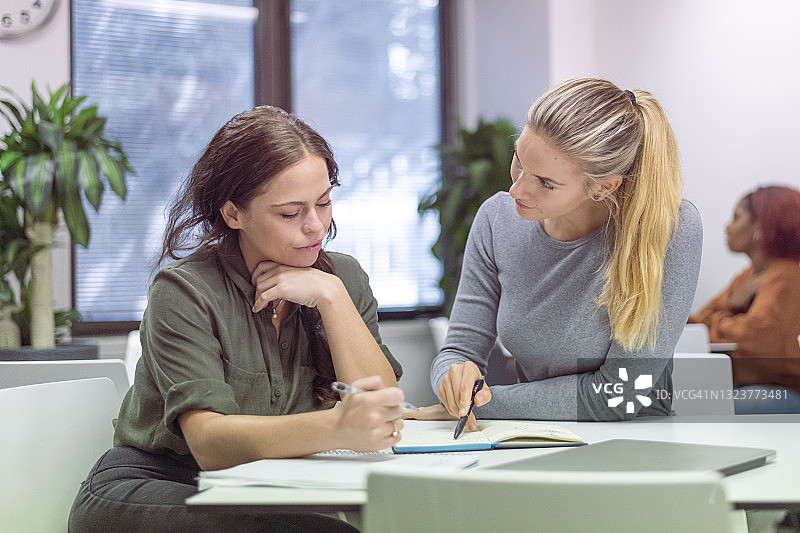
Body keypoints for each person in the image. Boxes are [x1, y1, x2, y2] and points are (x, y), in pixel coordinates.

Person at [69, 106, 405, 532]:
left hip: (263, 486)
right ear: (233, 214)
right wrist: (336, 427)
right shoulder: (184, 291)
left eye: (324, 203)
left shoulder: (343, 279)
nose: (316, 226)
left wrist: (331, 296)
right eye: (290, 213)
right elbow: (210, 444)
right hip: (157, 484)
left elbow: (380, 408)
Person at [430, 77, 703, 426]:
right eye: (519, 162)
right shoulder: (497, 219)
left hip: (635, 447)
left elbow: (621, 395)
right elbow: (458, 351)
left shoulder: (668, 228)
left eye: (545, 183)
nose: (516, 189)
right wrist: (453, 384)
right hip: (530, 440)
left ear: (603, 186)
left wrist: (483, 405)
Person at [689, 185, 800, 414]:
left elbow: (757, 334)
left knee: (705, 407)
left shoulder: (786, 276)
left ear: (760, 226)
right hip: (751, 386)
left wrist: (717, 322)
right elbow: (697, 325)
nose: (727, 226)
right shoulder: (749, 276)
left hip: (783, 391)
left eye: (737, 217)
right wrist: (730, 304)